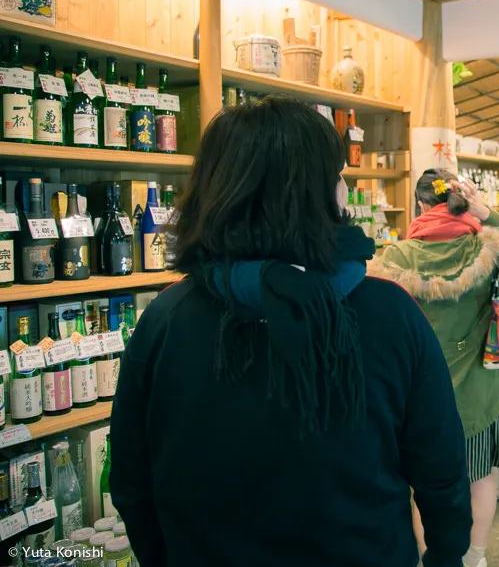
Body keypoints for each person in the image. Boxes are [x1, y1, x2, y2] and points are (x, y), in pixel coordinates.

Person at [110, 98, 472, 567]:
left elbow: (132, 480)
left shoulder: (166, 317)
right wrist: (446, 556)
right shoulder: (389, 312)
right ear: (311, 193)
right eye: (337, 176)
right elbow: (439, 466)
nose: (344, 189)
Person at [368, 169, 499, 567]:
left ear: (420, 205)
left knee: (427, 488)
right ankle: (477, 557)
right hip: (479, 393)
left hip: (421, 396)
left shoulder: (398, 257)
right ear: (461, 200)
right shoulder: (481, 248)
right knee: (480, 478)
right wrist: (482, 210)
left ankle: (432, 557)